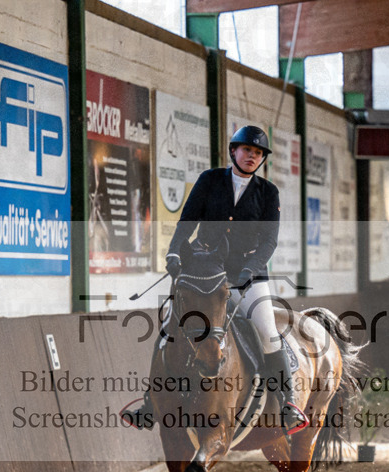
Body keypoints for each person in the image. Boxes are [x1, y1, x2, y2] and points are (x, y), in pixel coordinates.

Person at [124, 125, 307, 432]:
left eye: (258, 153)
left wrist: (251, 269)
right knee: (172, 321)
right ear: (233, 151)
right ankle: (151, 401)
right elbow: (188, 219)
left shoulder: (268, 192)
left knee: (266, 330)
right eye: (247, 150)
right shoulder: (210, 180)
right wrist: (173, 253)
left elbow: (269, 241)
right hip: (204, 267)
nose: (252, 157)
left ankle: (288, 404)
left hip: (247, 274)